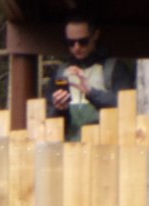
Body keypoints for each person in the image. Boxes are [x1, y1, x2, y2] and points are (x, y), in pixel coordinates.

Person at [45, 12, 135, 142]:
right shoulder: (60, 74)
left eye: (83, 42)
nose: (77, 47)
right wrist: (60, 109)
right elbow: (50, 122)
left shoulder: (114, 69)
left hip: (105, 148)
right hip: (69, 151)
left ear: (95, 36)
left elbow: (126, 108)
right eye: (71, 43)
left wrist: (91, 92)